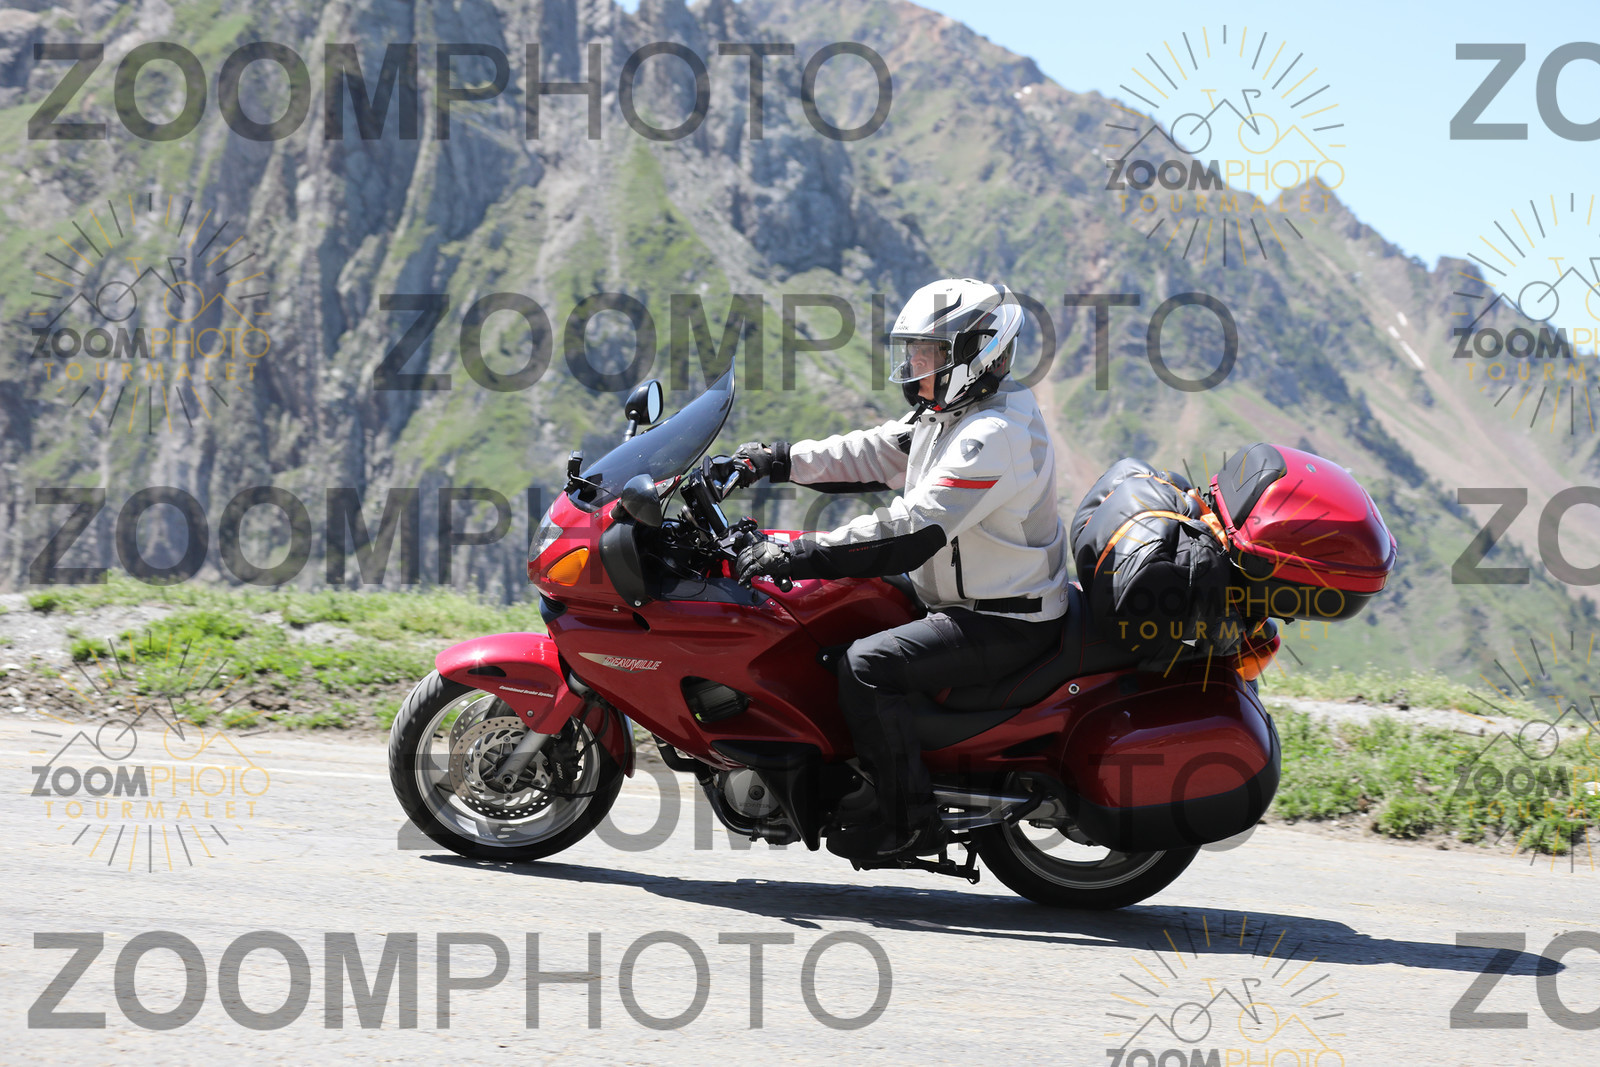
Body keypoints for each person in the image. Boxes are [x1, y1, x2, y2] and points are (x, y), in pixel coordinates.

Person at [725, 278, 1070, 861]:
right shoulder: (953, 413)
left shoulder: (994, 434)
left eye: (928, 354)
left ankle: (906, 821)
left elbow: (913, 529)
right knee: (834, 609)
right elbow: (874, 452)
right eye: (913, 352)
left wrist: (798, 552)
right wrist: (774, 460)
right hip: (962, 595)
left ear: (974, 354)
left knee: (866, 667)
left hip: (1003, 618)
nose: (914, 368)